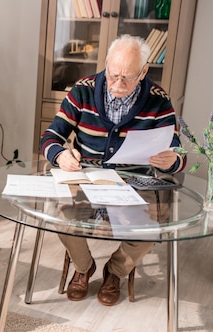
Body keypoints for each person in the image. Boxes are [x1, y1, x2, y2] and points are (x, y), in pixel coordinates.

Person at [39, 34, 186, 306]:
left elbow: (179, 153)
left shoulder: (159, 101)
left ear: (143, 72)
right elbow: (49, 137)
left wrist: (172, 160)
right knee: (56, 215)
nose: (118, 84)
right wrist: (61, 156)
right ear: (106, 63)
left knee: (153, 227)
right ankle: (84, 267)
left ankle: (115, 271)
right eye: (113, 74)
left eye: (127, 78)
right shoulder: (82, 90)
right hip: (87, 178)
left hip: (133, 183)